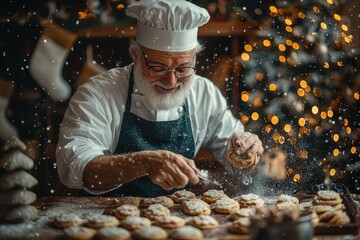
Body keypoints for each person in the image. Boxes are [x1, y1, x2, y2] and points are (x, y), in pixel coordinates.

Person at [56, 0, 264, 197]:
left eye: (183, 68)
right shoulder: (98, 94)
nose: (171, 80)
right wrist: (142, 163)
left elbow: (232, 151)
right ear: (135, 56)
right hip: (105, 219)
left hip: (180, 220)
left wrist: (245, 150)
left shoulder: (204, 94)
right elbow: (77, 167)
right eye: (158, 67)